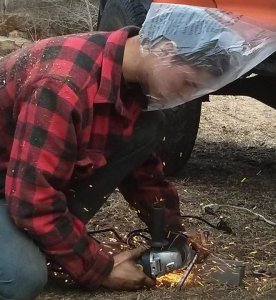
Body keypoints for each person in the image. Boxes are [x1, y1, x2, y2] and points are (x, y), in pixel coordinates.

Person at [0, 23, 210, 299]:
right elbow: (31, 199)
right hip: (17, 190)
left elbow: (144, 174)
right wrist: (100, 268)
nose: (186, 95)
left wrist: (174, 234)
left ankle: (45, 239)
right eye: (188, 83)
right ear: (166, 51)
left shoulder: (127, 75)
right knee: (21, 278)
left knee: (147, 127)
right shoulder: (62, 86)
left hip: (22, 179)